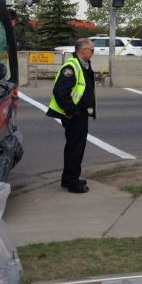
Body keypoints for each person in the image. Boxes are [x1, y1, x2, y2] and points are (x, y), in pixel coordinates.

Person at [46, 38, 96, 193]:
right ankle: (72, 182)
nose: (93, 52)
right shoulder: (72, 67)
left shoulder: (84, 65)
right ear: (82, 50)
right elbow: (60, 92)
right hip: (74, 115)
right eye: (91, 50)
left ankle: (68, 178)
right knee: (75, 148)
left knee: (75, 147)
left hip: (80, 113)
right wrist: (70, 111)